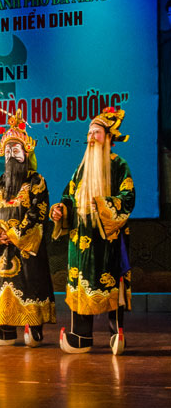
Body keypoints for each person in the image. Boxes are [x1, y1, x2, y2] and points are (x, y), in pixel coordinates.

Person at [51, 107, 135, 355]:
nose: (91, 137)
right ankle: (81, 335)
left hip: (106, 238)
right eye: (89, 132)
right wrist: (61, 210)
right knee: (80, 286)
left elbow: (127, 197)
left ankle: (115, 332)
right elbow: (69, 196)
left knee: (111, 285)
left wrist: (100, 205)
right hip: (79, 239)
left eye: (96, 132)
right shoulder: (81, 168)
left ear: (109, 137)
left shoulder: (118, 165)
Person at [0, 112, 56, 347]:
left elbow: (39, 212)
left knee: (29, 284)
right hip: (3, 244)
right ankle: (5, 327)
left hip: (26, 246)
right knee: (2, 285)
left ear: (26, 154)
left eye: (16, 151)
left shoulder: (37, 181)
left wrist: (15, 234)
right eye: (7, 152)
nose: (11, 156)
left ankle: (33, 327)